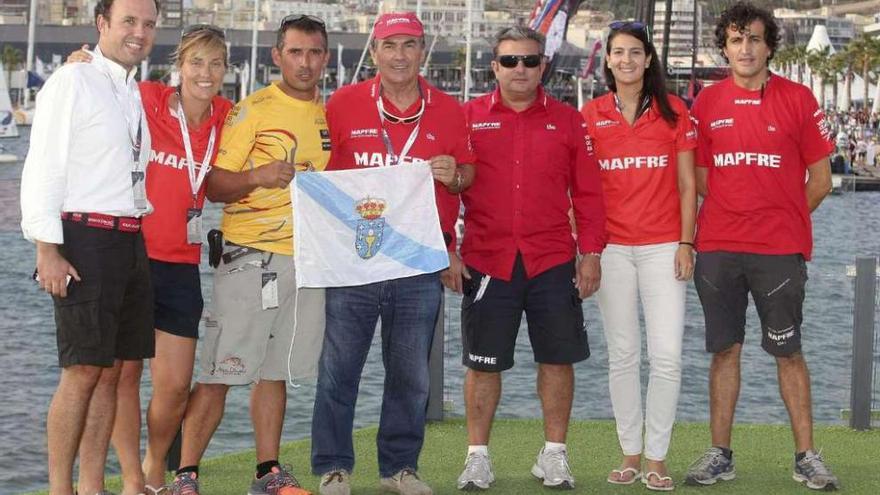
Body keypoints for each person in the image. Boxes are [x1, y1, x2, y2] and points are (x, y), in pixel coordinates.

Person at [310, 12, 475, 495]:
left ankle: (399, 468)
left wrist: (454, 176)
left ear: (422, 51)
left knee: (410, 375)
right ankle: (334, 466)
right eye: (389, 45)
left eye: (408, 45)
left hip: (418, 263)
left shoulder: (449, 110)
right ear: (375, 52)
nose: (399, 55)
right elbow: (318, 176)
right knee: (338, 370)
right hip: (353, 261)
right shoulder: (342, 104)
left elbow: (468, 175)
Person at [65, 25, 234, 495]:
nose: (205, 73)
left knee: (175, 385)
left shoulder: (229, 116)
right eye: (195, 62)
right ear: (179, 66)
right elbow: (101, 84)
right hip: (132, 254)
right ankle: (133, 479)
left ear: (226, 70)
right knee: (123, 373)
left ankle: (156, 463)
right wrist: (81, 64)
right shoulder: (146, 98)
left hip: (182, 264)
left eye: (215, 63)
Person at [164, 15, 329, 495]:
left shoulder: (327, 112)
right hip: (249, 259)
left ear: (325, 58)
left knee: (274, 373)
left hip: (305, 261)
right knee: (221, 371)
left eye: (313, 52)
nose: (304, 62)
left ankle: (267, 472)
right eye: (295, 52)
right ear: (277, 56)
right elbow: (214, 184)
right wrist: (258, 176)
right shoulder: (252, 110)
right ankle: (185, 476)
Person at [684, 2, 838, 491]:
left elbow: (821, 180)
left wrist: (781, 217)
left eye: (753, 38)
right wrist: (741, 211)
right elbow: (700, 179)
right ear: (725, 49)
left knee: (788, 352)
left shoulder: (798, 98)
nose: (745, 48)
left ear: (769, 46)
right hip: (719, 247)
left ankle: (806, 456)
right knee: (724, 351)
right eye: (736, 40)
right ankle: (720, 454)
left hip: (779, 251)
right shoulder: (706, 103)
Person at [455, 26, 606, 492]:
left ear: (543, 66)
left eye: (529, 60)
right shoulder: (467, 118)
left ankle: (554, 454)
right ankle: (477, 457)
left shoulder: (569, 121)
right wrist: (445, 250)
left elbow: (589, 193)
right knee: (483, 364)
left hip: (552, 259)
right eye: (509, 61)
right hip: (487, 260)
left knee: (558, 360)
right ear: (494, 67)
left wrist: (591, 253)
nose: (519, 69)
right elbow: (444, 190)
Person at [19, 0, 158, 493]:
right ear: (102, 24)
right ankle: (61, 488)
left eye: (148, 24)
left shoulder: (130, 88)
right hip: (84, 238)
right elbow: (44, 165)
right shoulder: (72, 81)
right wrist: (47, 250)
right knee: (81, 371)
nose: (139, 32)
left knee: (112, 371)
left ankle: (92, 485)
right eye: (128, 21)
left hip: (129, 238)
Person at [579, 21, 697, 491]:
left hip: (664, 247)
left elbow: (687, 186)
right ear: (607, 60)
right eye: (618, 52)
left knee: (667, 356)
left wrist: (686, 243)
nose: (626, 60)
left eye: (635, 52)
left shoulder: (676, 112)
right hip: (611, 251)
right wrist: (585, 247)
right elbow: (581, 189)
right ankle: (630, 452)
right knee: (623, 355)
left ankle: (657, 457)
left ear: (648, 59)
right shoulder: (590, 114)